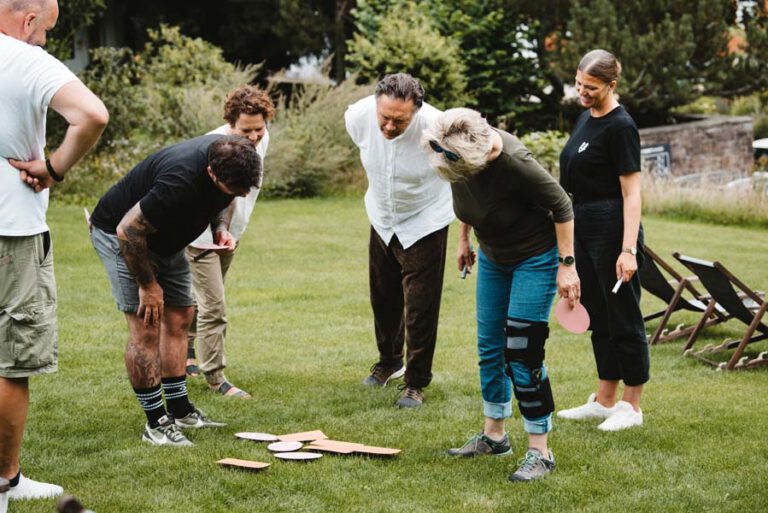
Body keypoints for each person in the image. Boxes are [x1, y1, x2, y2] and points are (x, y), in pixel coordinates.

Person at [424, 108, 580, 482]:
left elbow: (562, 205)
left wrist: (567, 264)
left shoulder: (514, 161)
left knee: (523, 351)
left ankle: (540, 451)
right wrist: (464, 239)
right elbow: (465, 192)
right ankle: (494, 435)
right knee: (490, 346)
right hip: (493, 257)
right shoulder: (452, 149)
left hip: (535, 259)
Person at [0, 0, 108, 501]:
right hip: (10, 227)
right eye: (45, 31)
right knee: (10, 361)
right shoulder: (24, 58)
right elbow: (90, 114)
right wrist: (55, 166)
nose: (45, 41)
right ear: (27, 20)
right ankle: (3, 483)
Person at [89, 135, 261, 446]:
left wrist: (221, 228)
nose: (243, 193)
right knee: (146, 328)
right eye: (236, 188)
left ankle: (180, 411)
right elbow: (128, 230)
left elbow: (228, 197)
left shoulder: (235, 160)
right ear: (211, 174)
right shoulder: (179, 179)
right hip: (125, 240)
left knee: (181, 316)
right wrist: (147, 284)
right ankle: (155, 423)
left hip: (167, 241)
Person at [344, 73, 454, 408]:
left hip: (425, 220)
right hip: (381, 216)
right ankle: (389, 361)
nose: (389, 127)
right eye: (385, 118)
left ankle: (415, 382)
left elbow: (461, 176)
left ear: (416, 112)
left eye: (399, 121)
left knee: (420, 305)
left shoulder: (439, 127)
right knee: (383, 296)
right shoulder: (357, 116)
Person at [556, 49, 648, 431]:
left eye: (591, 87)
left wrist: (628, 250)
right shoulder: (584, 117)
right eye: (579, 83)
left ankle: (632, 406)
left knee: (623, 315)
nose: (582, 91)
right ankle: (605, 400)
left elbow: (632, 193)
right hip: (584, 226)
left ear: (612, 85)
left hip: (613, 228)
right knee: (598, 315)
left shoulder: (621, 126)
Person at [185, 86, 275, 399]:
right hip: (200, 234)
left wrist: (229, 231)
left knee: (202, 299)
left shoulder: (263, 138)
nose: (253, 137)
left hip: (230, 233)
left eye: (258, 129)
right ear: (229, 124)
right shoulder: (214, 145)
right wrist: (213, 231)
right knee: (215, 306)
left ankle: (187, 350)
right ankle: (216, 378)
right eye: (245, 130)